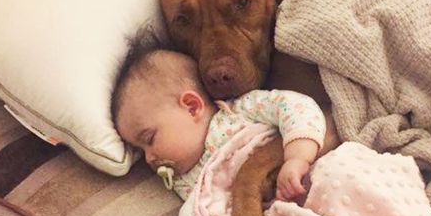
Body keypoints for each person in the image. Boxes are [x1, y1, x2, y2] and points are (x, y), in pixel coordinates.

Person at [112, 48, 326, 203]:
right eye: (140, 150)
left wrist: (297, 157)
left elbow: (298, 107)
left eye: (149, 139)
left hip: (312, 177)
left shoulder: (240, 111)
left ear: (192, 107)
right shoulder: (186, 184)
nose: (149, 158)